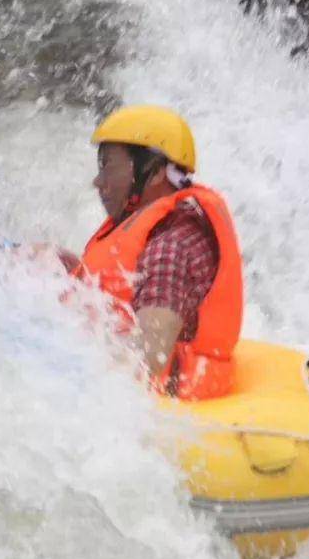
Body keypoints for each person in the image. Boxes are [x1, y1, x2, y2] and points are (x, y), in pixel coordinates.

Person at [60, 105, 244, 400]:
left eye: (107, 165)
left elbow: (149, 358)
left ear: (155, 173)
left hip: (172, 403)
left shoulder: (172, 246)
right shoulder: (155, 227)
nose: (98, 181)